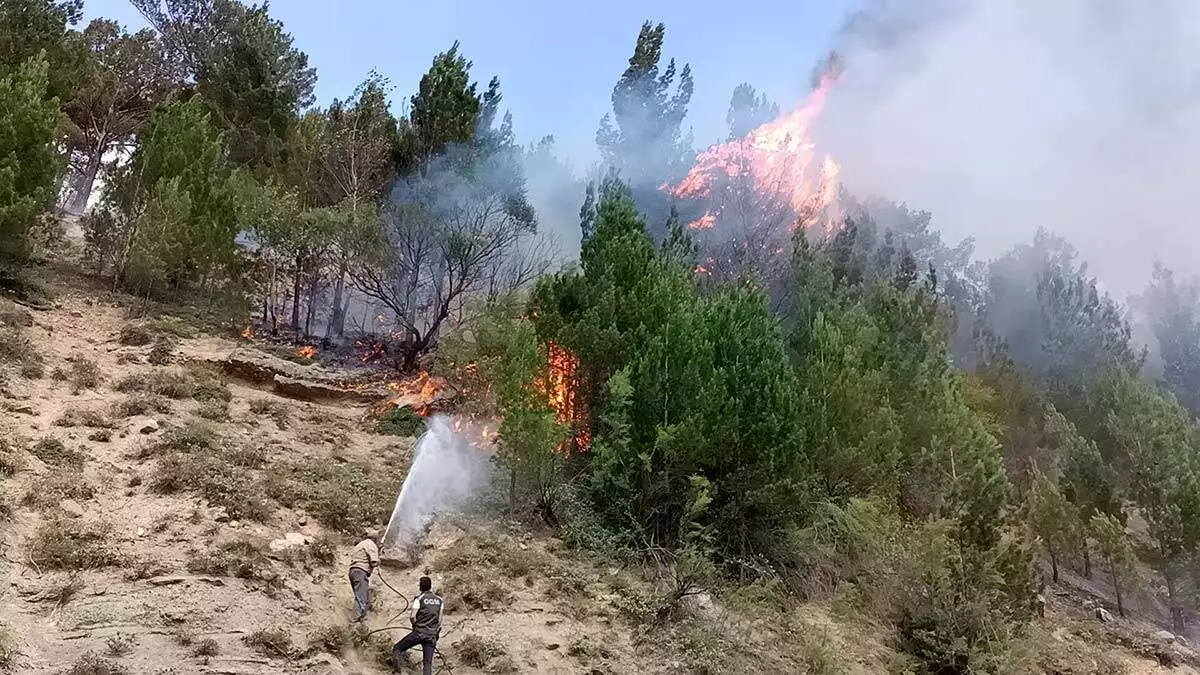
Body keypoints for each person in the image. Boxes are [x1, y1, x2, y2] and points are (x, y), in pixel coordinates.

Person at [393, 576, 443, 675]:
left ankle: (399, 672)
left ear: (420, 587)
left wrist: (415, 625)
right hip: (431, 635)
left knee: (397, 648)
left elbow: (412, 616)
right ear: (430, 586)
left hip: (419, 632)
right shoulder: (439, 600)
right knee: (427, 664)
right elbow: (440, 620)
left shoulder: (419, 598)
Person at [348, 531, 381, 623]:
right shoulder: (371, 544)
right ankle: (355, 621)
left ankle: (360, 618)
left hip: (352, 571)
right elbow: (374, 562)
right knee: (361, 598)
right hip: (361, 572)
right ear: (375, 538)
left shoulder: (360, 544)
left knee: (360, 596)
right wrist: (379, 558)